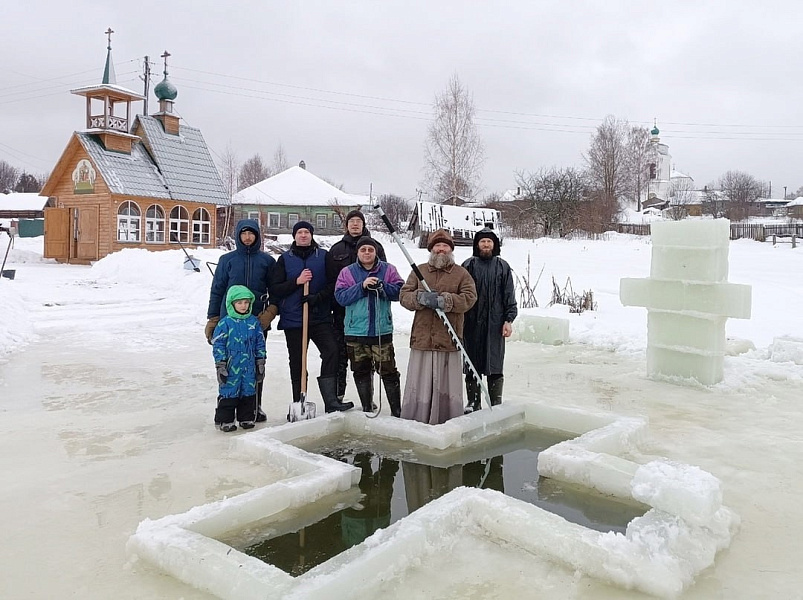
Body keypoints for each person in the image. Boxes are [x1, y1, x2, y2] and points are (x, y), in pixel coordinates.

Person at [270, 221, 354, 413]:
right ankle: (299, 401)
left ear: (311, 235)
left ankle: (331, 400)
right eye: (299, 232)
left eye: (307, 232)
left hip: (319, 316)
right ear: (294, 236)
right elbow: (275, 288)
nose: (303, 235)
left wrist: (318, 298)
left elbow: (334, 282)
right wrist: (297, 282)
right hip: (293, 319)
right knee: (298, 361)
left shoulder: (323, 256)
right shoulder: (284, 259)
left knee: (332, 351)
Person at [399, 229, 477, 424]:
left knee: (447, 382)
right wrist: (421, 298)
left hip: (448, 338)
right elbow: (404, 296)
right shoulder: (420, 271)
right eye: (437, 246)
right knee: (420, 380)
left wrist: (446, 301)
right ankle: (417, 417)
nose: (441, 249)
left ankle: (447, 418)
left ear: (450, 249)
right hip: (423, 337)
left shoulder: (461, 273)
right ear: (431, 249)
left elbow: (470, 298)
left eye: (445, 246)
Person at [205, 219, 276, 422]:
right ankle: (226, 408)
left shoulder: (266, 261)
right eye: (244, 233)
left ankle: (253, 407)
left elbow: (276, 290)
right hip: (228, 322)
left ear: (257, 236)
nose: (247, 237)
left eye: (251, 233)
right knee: (228, 364)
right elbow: (217, 290)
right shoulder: (227, 260)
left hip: (256, 322)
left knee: (255, 365)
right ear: (238, 235)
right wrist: (213, 318)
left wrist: (269, 312)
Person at [334, 236, 404, 416]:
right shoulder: (347, 272)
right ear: (358, 252)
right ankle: (367, 406)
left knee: (388, 372)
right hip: (355, 331)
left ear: (376, 252)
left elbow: (400, 292)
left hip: (382, 331)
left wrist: (383, 287)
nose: (367, 253)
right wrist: (361, 287)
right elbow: (340, 297)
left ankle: (397, 411)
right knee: (361, 371)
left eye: (370, 250)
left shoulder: (389, 270)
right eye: (363, 250)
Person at [328, 210, 387, 402]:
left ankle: (367, 400)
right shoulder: (336, 250)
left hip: (369, 312)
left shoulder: (376, 246)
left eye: (358, 221)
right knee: (341, 356)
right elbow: (331, 282)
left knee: (366, 358)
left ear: (363, 224)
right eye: (351, 221)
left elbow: (384, 274)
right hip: (342, 312)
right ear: (346, 225)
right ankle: (338, 395)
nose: (355, 224)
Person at [461, 228, 518, 411]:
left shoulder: (503, 267)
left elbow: (509, 295)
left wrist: (509, 319)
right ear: (477, 245)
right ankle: (473, 402)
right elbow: (460, 293)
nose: (486, 245)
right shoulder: (468, 265)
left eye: (489, 242)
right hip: (471, 323)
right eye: (482, 241)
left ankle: (496, 403)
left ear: (495, 245)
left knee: (494, 364)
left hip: (495, 324)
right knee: (472, 363)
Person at [211, 285, 267, 432]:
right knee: (229, 392)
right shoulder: (225, 323)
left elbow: (260, 342)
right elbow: (218, 344)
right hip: (231, 366)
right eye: (239, 303)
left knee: (248, 392)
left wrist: (260, 361)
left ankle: (246, 418)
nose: (243, 306)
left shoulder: (253, 322)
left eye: (246, 302)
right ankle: (225, 420)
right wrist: (220, 364)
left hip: (249, 366)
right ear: (232, 304)